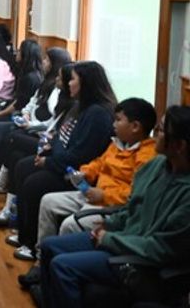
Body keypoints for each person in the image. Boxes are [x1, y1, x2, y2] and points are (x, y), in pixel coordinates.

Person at [36, 104, 190, 308]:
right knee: (49, 247)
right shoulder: (155, 167)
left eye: (161, 131)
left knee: (62, 266)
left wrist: (109, 238)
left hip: (139, 261)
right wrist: (109, 225)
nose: (155, 135)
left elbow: (160, 249)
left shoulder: (185, 194)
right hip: (122, 237)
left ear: (179, 145)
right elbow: (131, 207)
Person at [5, 60, 116, 261]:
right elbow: (60, 139)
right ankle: (24, 233)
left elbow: (81, 157)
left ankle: (32, 244)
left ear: (86, 83)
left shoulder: (98, 114)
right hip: (61, 161)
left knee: (34, 183)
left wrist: (48, 161)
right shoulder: (80, 106)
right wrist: (48, 152)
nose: (69, 84)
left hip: (77, 175)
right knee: (22, 166)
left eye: (73, 79)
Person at [37, 98, 157, 241]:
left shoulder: (147, 157)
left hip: (113, 208)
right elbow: (99, 163)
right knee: (48, 201)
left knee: (70, 225)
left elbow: (136, 194)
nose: (113, 124)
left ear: (135, 127)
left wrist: (104, 195)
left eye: (118, 120)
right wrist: (85, 173)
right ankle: (42, 251)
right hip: (93, 195)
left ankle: (59, 254)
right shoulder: (117, 144)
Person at [0, 47, 72, 184]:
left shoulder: (56, 91)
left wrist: (29, 124)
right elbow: (32, 102)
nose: (43, 62)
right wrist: (26, 114)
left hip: (38, 131)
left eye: (46, 60)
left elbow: (51, 121)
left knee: (2, 130)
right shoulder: (45, 82)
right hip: (28, 121)